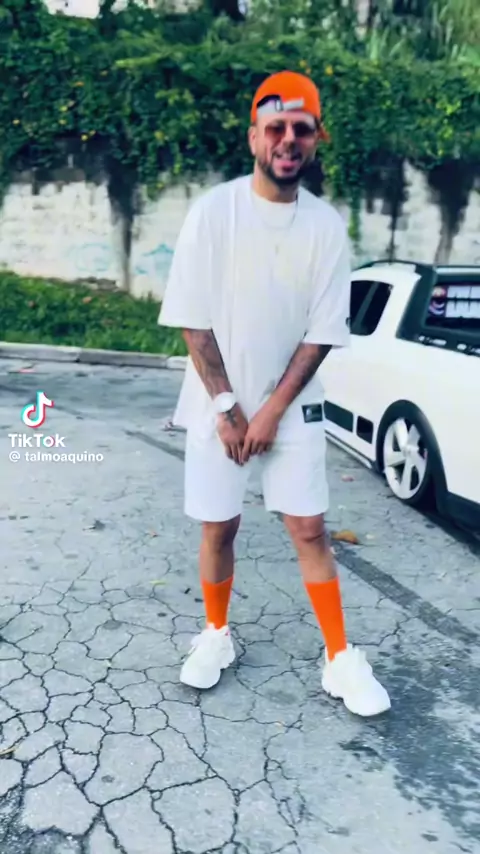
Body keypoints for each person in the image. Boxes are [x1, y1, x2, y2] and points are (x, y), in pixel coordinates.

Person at [158, 70, 391, 717]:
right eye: (276, 127)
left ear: (317, 139)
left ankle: (339, 658)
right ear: (254, 136)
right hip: (219, 405)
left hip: (290, 406)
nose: (289, 139)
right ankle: (216, 634)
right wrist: (229, 407)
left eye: (302, 129)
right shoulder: (215, 212)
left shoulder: (325, 227)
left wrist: (269, 413)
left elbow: (321, 333)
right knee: (219, 525)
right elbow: (192, 318)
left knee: (310, 528)